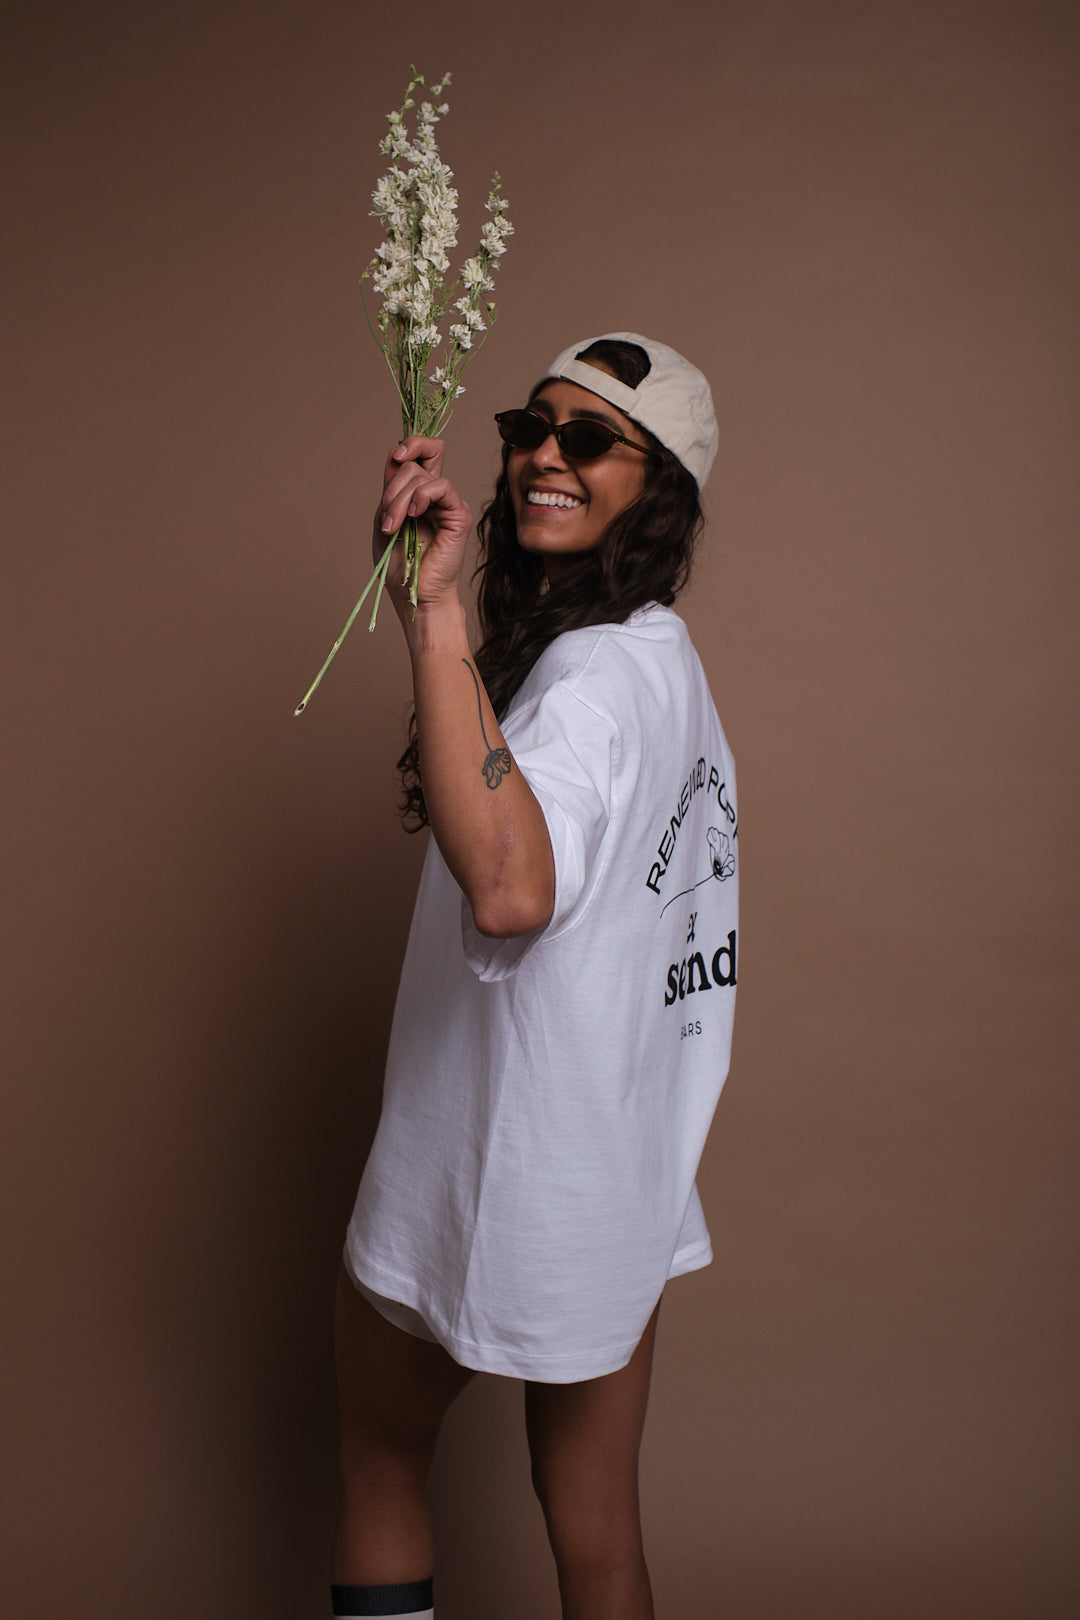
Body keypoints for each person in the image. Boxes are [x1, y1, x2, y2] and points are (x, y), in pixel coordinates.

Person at [332, 334, 739, 1620]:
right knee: (599, 1529)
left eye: (590, 439)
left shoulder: (592, 685)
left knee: (381, 1455)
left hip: (499, 1163)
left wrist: (438, 614)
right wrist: (436, 608)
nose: (541, 457)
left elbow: (509, 892)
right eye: (530, 426)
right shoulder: (664, 661)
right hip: (613, 1173)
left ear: (659, 481)